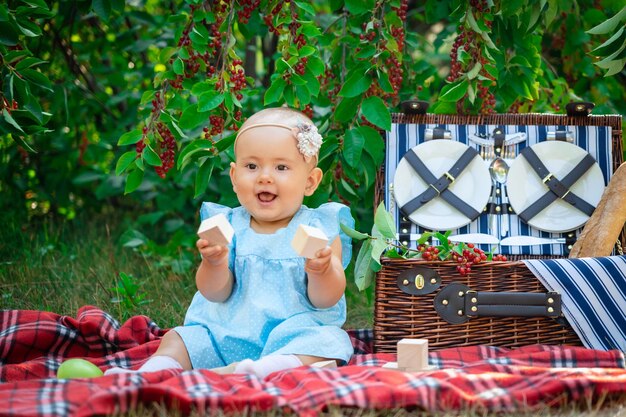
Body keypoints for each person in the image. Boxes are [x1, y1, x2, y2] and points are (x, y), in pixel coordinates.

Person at [105, 107, 355, 378]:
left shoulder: (320, 229)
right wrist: (214, 263)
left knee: (328, 342)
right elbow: (215, 293)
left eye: (281, 167)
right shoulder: (226, 226)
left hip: (292, 335)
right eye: (252, 166)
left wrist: (322, 271)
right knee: (180, 339)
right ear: (235, 178)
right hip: (224, 333)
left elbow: (326, 300)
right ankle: (153, 372)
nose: (264, 177)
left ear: (310, 181)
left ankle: (264, 369)